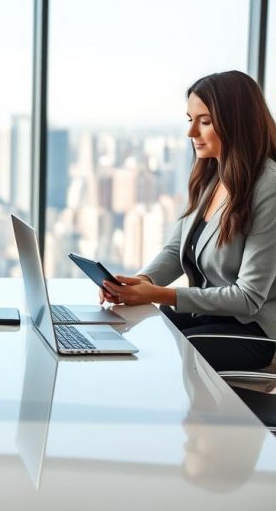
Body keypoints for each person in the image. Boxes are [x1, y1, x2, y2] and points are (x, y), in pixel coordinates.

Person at [100, 71, 276, 372]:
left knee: (160, 359)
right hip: (209, 316)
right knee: (132, 331)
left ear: (237, 123)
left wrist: (158, 294)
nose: (191, 132)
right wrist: (142, 282)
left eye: (204, 121)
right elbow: (176, 249)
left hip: (254, 331)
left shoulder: (268, 187)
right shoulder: (211, 175)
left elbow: (248, 298)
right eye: (189, 119)